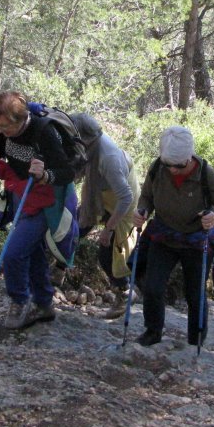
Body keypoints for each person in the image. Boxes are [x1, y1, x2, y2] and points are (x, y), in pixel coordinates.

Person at [0, 91, 78, 330]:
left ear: (20, 119)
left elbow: (67, 171)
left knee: (13, 253)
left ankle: (19, 300)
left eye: (5, 126)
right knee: (31, 252)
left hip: (46, 202)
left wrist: (45, 175)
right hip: (21, 195)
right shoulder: (7, 130)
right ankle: (43, 304)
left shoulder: (44, 132)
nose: (1, 130)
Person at [132, 126, 214, 347]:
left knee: (195, 293)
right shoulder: (157, 168)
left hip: (197, 240)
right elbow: (147, 197)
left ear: (189, 158)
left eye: (178, 166)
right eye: (168, 165)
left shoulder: (206, 174)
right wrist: (142, 211)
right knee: (152, 286)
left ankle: (195, 340)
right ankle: (152, 331)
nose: (173, 171)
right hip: (164, 235)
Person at [71, 113, 139, 320]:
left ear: (85, 138)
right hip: (100, 197)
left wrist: (108, 230)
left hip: (122, 204)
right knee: (71, 229)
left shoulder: (108, 157)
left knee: (108, 255)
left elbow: (126, 197)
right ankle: (56, 272)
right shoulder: (90, 147)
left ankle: (125, 293)